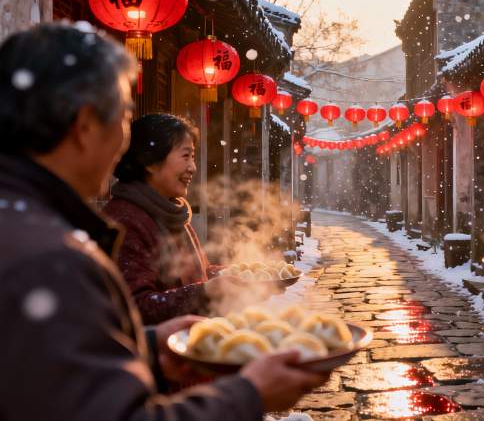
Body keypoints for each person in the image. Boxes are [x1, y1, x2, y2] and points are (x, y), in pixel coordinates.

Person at [0, 22, 327, 420]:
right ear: (85, 126)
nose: (123, 139)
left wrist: (149, 348)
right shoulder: (50, 257)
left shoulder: (24, 225)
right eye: (121, 116)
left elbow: (55, 372)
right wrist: (251, 395)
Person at [104, 113, 240, 324]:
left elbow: (195, 274)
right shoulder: (125, 221)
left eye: (193, 157)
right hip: (158, 352)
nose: (193, 168)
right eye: (186, 156)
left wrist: (236, 275)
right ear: (150, 162)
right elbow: (134, 306)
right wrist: (204, 292)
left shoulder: (173, 212)